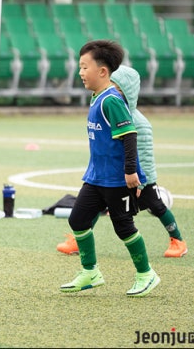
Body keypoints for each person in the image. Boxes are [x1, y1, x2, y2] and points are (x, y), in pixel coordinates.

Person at [60, 40, 160, 297]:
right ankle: (91, 272)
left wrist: (131, 172)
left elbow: (130, 136)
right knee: (78, 220)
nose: (80, 72)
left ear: (103, 71)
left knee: (123, 226)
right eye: (80, 67)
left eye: (85, 67)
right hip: (96, 178)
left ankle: (146, 274)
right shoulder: (96, 97)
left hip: (117, 179)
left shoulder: (111, 101)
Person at [56, 65, 188, 258]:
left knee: (156, 206)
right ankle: (79, 240)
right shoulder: (108, 109)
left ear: (129, 92)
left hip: (138, 178)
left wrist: (139, 180)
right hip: (114, 175)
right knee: (97, 204)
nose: (112, 91)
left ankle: (178, 240)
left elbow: (142, 154)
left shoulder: (139, 123)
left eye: (117, 88)